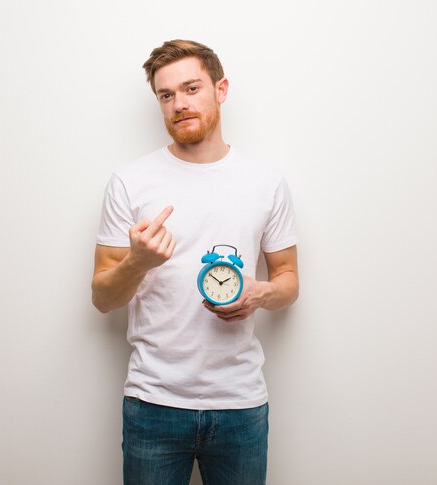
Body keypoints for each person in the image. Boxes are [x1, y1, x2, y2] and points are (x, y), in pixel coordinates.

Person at [92, 39, 300, 485]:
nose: (178, 104)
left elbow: (288, 280)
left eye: (191, 88)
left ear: (220, 89)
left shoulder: (265, 183)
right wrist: (138, 262)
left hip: (241, 404)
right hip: (153, 404)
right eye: (166, 95)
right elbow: (102, 298)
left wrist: (259, 293)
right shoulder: (130, 182)